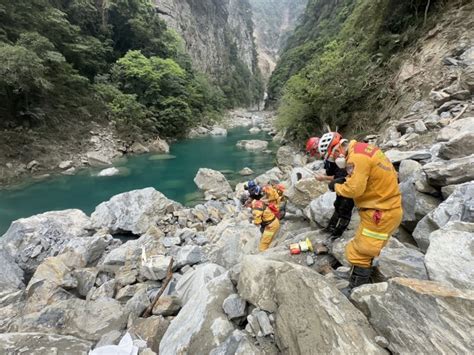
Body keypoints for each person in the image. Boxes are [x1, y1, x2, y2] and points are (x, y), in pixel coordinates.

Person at [329, 139, 402, 296]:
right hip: (382, 208)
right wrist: (346, 179)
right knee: (360, 243)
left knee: (364, 249)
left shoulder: (356, 157)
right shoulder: (363, 149)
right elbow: (368, 178)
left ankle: (356, 288)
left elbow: (354, 190)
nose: (335, 160)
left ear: (339, 148)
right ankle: (354, 274)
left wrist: (336, 186)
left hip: (381, 212)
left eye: (333, 155)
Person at [306, 133, 355, 240]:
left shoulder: (345, 155)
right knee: (338, 204)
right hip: (351, 180)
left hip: (354, 183)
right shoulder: (335, 156)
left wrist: (324, 178)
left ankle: (337, 235)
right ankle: (331, 228)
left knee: (344, 206)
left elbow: (341, 175)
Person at [252, 185, 280, 252]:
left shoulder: (257, 207)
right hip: (274, 221)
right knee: (267, 238)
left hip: (271, 225)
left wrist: (255, 221)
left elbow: (257, 222)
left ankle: (263, 254)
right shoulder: (263, 202)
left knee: (263, 243)